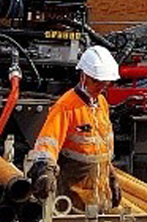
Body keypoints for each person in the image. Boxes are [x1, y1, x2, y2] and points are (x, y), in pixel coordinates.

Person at [27, 45, 121, 211]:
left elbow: (100, 149)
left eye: (105, 83)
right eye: (96, 81)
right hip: (73, 202)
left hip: (99, 200)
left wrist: (112, 176)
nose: (100, 86)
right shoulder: (66, 107)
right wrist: (44, 170)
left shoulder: (101, 104)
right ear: (84, 76)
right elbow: (48, 143)